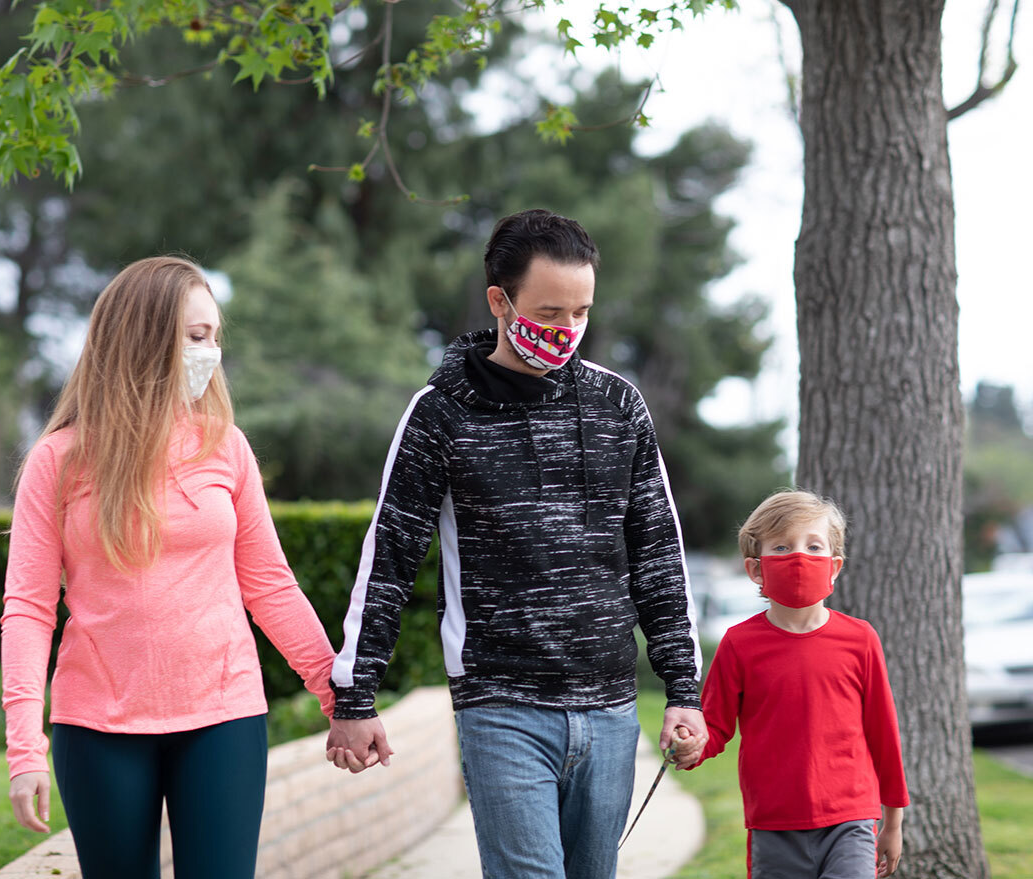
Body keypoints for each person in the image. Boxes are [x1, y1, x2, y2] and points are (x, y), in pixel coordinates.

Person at [325, 209, 708, 879]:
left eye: (581, 311)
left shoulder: (621, 407)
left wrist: (683, 688)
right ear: (499, 301)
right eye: (550, 311)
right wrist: (356, 697)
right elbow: (388, 558)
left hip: (612, 709)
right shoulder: (440, 412)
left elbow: (657, 555)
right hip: (501, 707)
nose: (566, 330)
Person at [1, 256, 336, 879]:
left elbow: (269, 585)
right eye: (194, 337)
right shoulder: (60, 459)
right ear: (143, 338)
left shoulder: (225, 445)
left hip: (224, 715)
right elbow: (27, 608)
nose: (209, 353)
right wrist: (25, 749)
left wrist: (338, 696)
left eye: (213, 337)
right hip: (98, 723)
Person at [686, 489, 908, 878]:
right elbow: (715, 726)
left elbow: (883, 733)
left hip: (851, 819)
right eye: (782, 547)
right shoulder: (739, 644)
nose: (799, 557)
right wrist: (691, 745)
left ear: (834, 566)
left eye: (814, 546)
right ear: (756, 569)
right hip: (773, 823)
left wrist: (893, 823)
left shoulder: (861, 639)